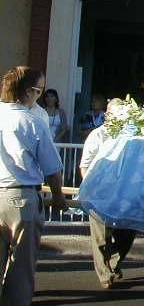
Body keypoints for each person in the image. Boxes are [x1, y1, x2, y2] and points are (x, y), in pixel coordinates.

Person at [0, 66, 67, 305]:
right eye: (38, 91)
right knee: (21, 269)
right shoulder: (31, 121)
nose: (39, 97)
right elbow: (52, 168)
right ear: (28, 92)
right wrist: (58, 197)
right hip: (21, 197)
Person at [79, 98, 138, 290]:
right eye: (116, 114)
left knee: (127, 233)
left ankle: (113, 262)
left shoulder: (131, 136)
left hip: (124, 194)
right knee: (100, 237)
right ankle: (104, 274)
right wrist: (90, 188)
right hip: (99, 193)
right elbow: (85, 165)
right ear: (108, 115)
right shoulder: (97, 135)